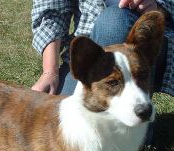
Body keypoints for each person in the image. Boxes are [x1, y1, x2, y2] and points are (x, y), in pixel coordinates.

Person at [31, 0, 174, 97]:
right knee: (62, 117)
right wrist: (50, 72)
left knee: (113, 22)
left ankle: (133, 121)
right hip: (90, 47)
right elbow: (51, 13)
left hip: (149, 40)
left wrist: (157, 5)